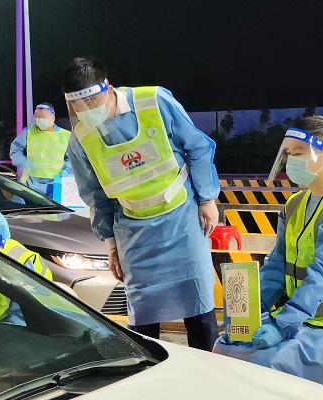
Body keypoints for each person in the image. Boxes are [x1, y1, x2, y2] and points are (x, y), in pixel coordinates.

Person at [61, 57, 220, 351]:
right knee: (143, 322)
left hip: (182, 222)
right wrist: (111, 246)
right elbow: (95, 197)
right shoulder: (80, 139)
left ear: (109, 90)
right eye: (78, 107)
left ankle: (208, 371)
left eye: (92, 102)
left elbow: (197, 147)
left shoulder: (154, 101)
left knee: (199, 312)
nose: (87, 112)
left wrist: (207, 198)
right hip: (134, 235)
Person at [215, 116, 323, 396]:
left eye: (299, 153)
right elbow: (277, 265)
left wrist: (282, 325)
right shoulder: (294, 204)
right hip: (302, 320)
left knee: (262, 365)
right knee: (226, 348)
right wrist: (247, 313)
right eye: (289, 153)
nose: (292, 160)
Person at [9, 103, 73, 198]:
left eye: (43, 116)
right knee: (20, 206)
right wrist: (24, 162)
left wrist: (66, 172)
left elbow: (72, 159)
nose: (40, 119)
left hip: (55, 184)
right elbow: (15, 150)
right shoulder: (28, 132)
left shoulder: (66, 135)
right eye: (38, 116)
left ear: (53, 118)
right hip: (29, 183)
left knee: (53, 208)